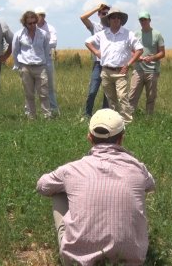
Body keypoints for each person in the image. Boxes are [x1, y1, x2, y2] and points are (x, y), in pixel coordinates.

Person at [37, 108, 155, 266]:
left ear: (89, 137)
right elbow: (150, 185)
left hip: (77, 261)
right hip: (131, 261)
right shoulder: (138, 168)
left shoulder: (71, 170)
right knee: (135, 189)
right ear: (121, 139)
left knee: (58, 192)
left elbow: (42, 186)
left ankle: (73, 246)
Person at [85, 8, 143, 124]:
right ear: (109, 20)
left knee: (122, 97)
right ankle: (115, 122)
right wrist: (96, 52)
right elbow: (87, 42)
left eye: (118, 17)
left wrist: (128, 64)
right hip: (105, 71)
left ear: (121, 20)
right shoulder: (102, 34)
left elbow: (139, 49)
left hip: (120, 71)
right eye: (113, 17)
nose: (116, 19)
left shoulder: (128, 34)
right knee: (111, 99)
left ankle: (127, 121)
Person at [12, 10, 52, 119]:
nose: (33, 25)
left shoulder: (43, 34)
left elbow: (46, 50)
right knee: (29, 93)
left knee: (44, 93)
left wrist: (47, 65)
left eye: (34, 22)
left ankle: (47, 116)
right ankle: (31, 116)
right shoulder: (18, 34)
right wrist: (17, 65)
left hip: (40, 66)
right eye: (30, 23)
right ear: (25, 23)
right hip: (25, 66)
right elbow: (15, 51)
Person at [128, 11, 165, 115]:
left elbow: (162, 53)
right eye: (141, 20)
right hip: (138, 69)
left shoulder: (157, 34)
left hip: (152, 70)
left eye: (145, 19)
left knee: (151, 96)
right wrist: (137, 57)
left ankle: (149, 119)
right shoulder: (136, 34)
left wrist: (153, 57)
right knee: (132, 95)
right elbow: (130, 50)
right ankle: (129, 118)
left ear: (149, 20)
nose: (143, 21)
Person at [80, 3, 110, 118]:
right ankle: (87, 114)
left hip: (109, 64)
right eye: (103, 13)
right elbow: (83, 18)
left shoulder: (112, 28)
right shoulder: (95, 26)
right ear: (99, 14)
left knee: (107, 93)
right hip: (98, 63)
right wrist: (97, 8)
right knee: (93, 91)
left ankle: (104, 114)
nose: (105, 15)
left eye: (107, 13)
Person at [35, 7, 59, 115]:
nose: (41, 17)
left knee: (49, 86)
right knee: (32, 87)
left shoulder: (50, 28)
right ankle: (32, 111)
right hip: (34, 60)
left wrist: (39, 44)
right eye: (39, 15)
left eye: (42, 15)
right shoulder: (32, 27)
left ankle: (53, 109)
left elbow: (54, 42)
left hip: (47, 59)